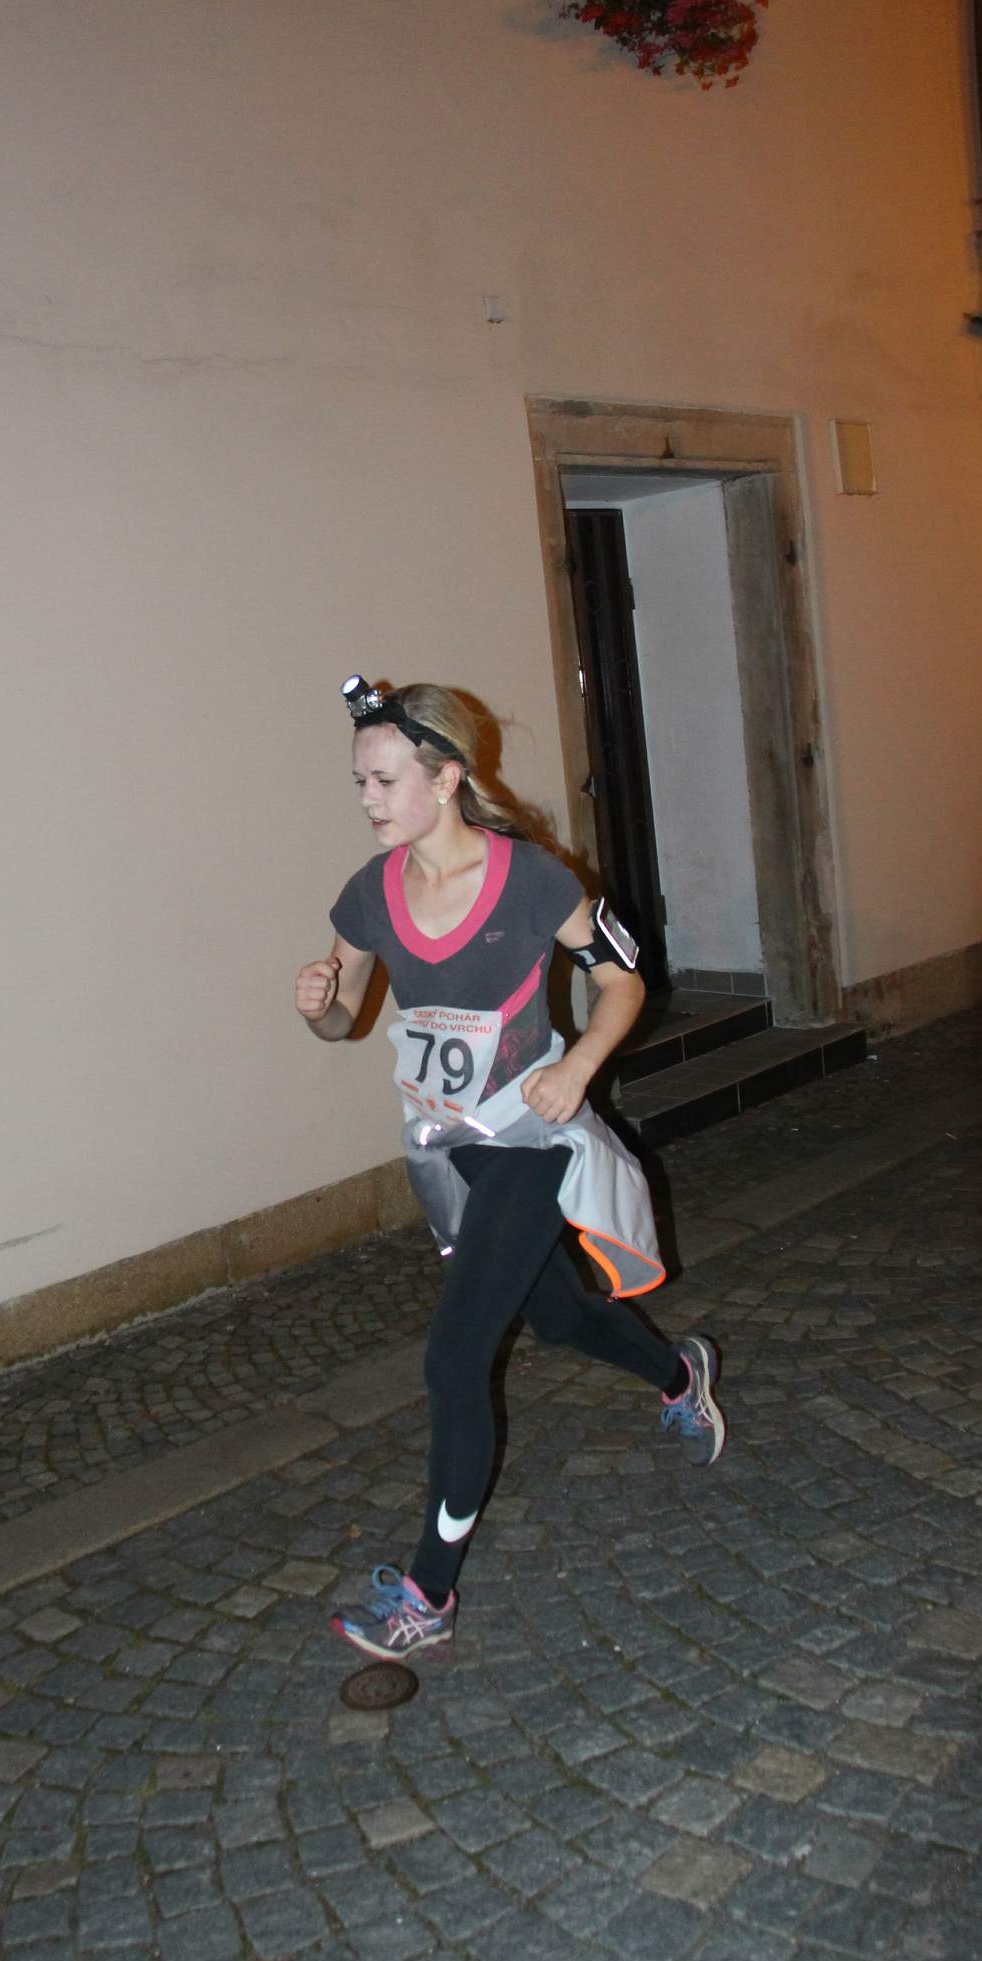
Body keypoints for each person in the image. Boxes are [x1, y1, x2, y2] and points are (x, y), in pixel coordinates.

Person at [294, 680, 724, 1664]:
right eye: (359, 781)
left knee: (455, 1358)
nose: (368, 799)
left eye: (385, 780)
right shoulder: (370, 892)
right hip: (446, 1150)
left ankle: (427, 1594)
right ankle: (678, 1372)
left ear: (446, 778)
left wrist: (578, 1067)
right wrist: (318, 1002)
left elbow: (622, 980)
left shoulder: (529, 878)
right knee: (561, 1316)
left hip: (527, 1137)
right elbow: (342, 1015)